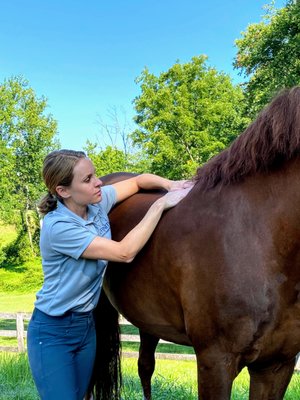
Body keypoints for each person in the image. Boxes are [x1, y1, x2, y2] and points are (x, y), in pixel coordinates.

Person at [27, 149, 193, 400]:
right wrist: (160, 205)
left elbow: (138, 181)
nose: (99, 182)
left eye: (94, 175)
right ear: (63, 191)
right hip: (53, 331)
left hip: (85, 326)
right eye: (88, 179)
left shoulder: (95, 204)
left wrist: (171, 184)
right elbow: (125, 253)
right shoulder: (59, 227)